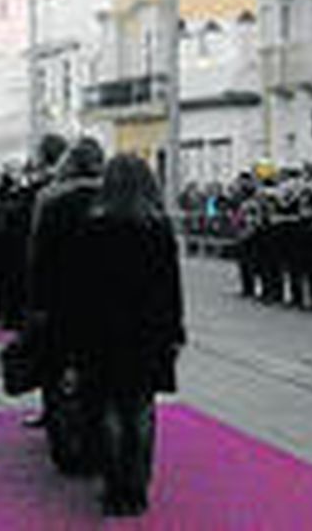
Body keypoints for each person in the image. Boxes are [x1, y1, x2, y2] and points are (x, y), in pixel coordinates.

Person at [58, 154, 185, 517]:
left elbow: (78, 291)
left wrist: (73, 337)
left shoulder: (92, 226)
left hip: (102, 332)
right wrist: (174, 331)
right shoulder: (157, 227)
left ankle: (115, 490)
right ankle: (137, 488)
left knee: (109, 408)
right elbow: (170, 287)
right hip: (148, 332)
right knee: (142, 410)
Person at [28, 137, 107, 475]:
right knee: (98, 377)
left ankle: (66, 448)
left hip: (62, 303)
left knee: (59, 375)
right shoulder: (115, 198)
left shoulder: (50, 199)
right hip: (104, 304)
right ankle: (98, 446)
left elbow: (38, 257)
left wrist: (35, 304)